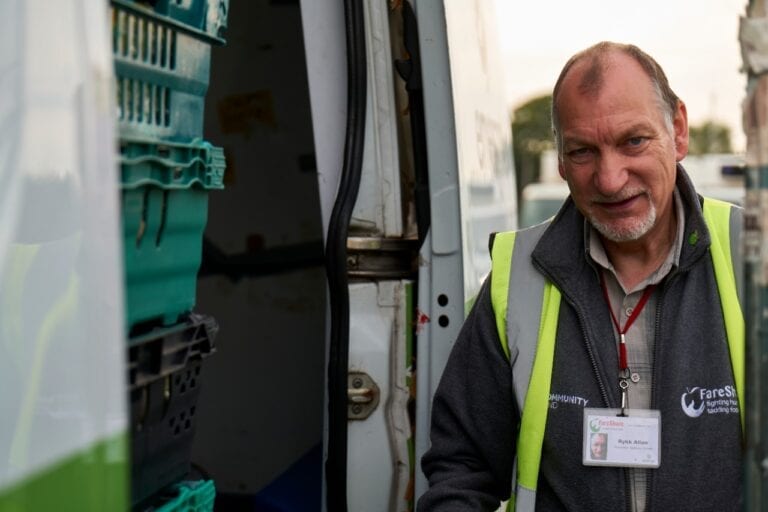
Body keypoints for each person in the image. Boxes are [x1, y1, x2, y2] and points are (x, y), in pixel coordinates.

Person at [418, 41, 743, 511]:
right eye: (584, 151)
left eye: (633, 141)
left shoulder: (753, 258)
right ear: (559, 160)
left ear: (678, 130)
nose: (610, 179)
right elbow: (460, 467)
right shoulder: (517, 275)